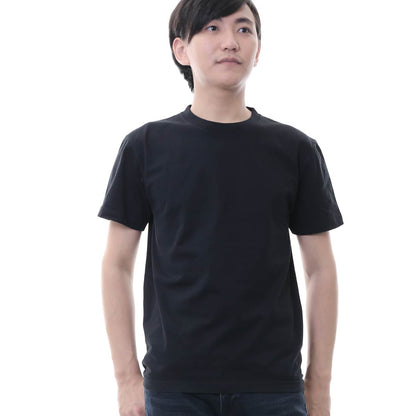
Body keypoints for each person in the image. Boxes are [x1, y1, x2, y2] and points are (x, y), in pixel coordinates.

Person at [98, 0, 344, 415]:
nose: (231, 41)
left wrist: (319, 384)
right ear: (181, 49)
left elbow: (321, 269)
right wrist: (126, 380)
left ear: (258, 50)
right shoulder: (145, 147)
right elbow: (116, 264)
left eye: (244, 29)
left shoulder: (296, 149)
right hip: (175, 388)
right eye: (212, 28)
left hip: (273, 388)